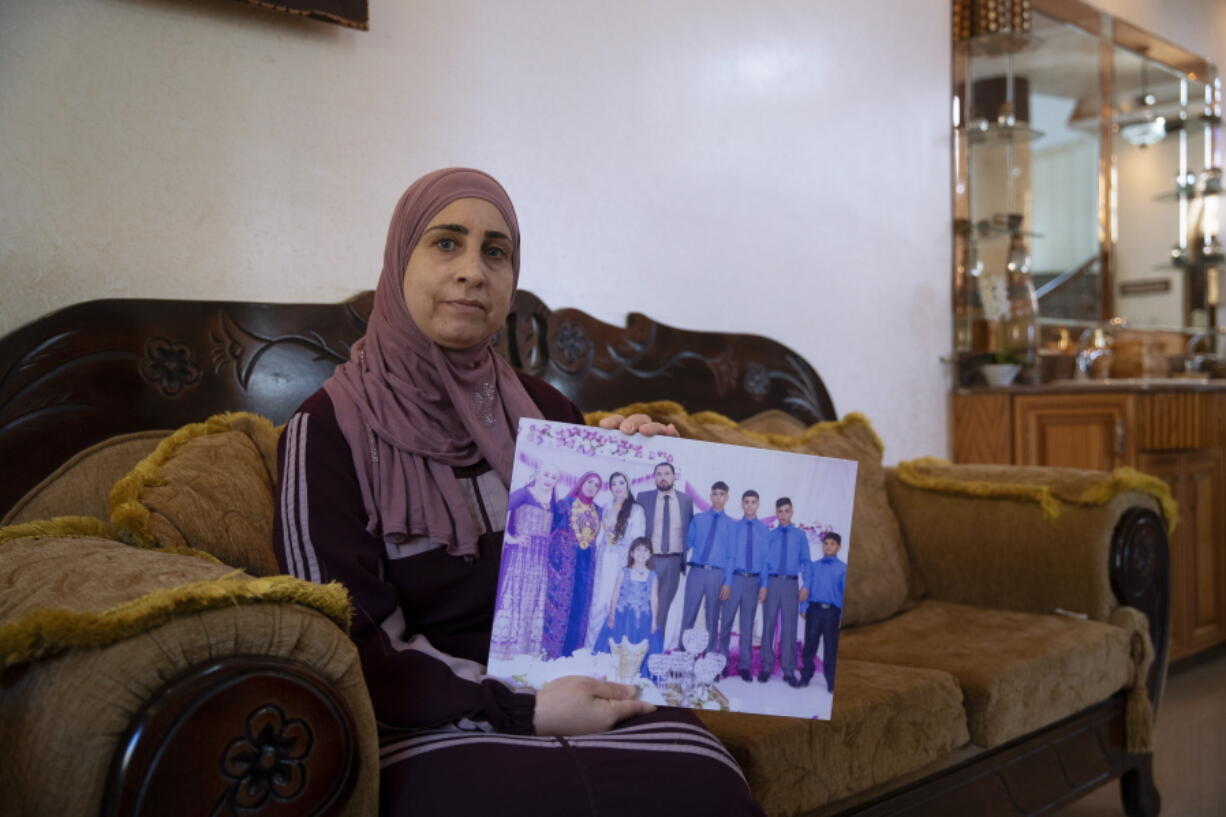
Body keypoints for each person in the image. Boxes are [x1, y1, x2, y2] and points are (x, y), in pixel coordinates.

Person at [271, 168, 758, 816]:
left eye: (495, 251)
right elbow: (340, 640)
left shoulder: (550, 411)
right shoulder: (326, 430)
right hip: (429, 713)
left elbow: (614, 599)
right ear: (398, 260)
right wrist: (519, 705)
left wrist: (646, 482)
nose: (473, 270)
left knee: (707, 787)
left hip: (584, 684)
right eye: (446, 243)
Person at [489, 464, 559, 660]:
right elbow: (505, 513)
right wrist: (511, 538)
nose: (549, 479)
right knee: (515, 596)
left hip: (540, 557)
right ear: (537, 474)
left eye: (553, 477)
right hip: (522, 555)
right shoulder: (523, 494)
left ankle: (526, 650)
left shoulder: (551, 500)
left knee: (534, 599)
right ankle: (506, 651)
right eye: (546, 473)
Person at [542, 471, 603, 658]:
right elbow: (550, 532)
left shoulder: (599, 510)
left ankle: (571, 654)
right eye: (589, 482)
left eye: (596, 485)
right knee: (559, 605)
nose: (591, 486)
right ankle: (551, 652)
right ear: (581, 482)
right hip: (564, 566)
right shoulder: (565, 505)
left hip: (586, 567)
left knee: (580, 606)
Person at [636, 461, 693, 649]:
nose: (662, 477)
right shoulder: (643, 498)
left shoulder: (685, 501)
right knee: (644, 605)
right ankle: (637, 646)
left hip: (673, 562)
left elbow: (689, 531)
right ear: (654, 477)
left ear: (674, 476)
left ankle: (654, 649)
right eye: (658, 473)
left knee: (663, 610)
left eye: (667, 473)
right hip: (649, 560)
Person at [587, 471, 646, 649]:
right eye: (614, 484)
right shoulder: (606, 507)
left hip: (622, 563)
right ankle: (591, 649)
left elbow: (637, 540)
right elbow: (600, 536)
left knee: (616, 604)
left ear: (627, 485)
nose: (617, 487)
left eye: (621, 483)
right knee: (598, 603)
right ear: (610, 488)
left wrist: (633, 568)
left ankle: (611, 651)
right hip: (604, 560)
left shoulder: (636, 510)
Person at [592, 536, 662, 678]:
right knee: (617, 643)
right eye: (638, 550)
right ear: (631, 553)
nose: (641, 553)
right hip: (621, 615)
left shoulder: (652, 575)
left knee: (641, 645)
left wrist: (654, 619)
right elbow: (615, 594)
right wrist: (612, 615)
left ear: (650, 555)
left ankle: (637, 673)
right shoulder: (624, 572)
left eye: (645, 550)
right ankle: (614, 672)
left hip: (643, 617)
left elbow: (654, 599)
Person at [759, 497, 810, 686]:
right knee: (768, 626)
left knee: (790, 628)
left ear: (792, 512)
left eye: (786, 511)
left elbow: (806, 561)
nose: (783, 515)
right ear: (776, 512)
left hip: (790, 585)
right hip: (772, 583)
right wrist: (763, 586)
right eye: (779, 511)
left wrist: (806, 586)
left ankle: (789, 670)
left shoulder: (800, 536)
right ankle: (766, 666)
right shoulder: (769, 536)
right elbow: (764, 563)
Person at [719, 490, 770, 681]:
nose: (749, 506)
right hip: (735, 579)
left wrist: (764, 585)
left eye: (753, 502)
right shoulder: (734, 527)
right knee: (726, 623)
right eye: (746, 502)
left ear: (758, 504)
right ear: (742, 504)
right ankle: (721, 663)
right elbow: (730, 557)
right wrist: (728, 582)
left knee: (747, 625)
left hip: (753, 582)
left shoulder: (764, 530)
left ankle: (745, 666)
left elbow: (765, 560)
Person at [679, 481, 735, 652]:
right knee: (689, 614)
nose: (718, 497)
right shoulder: (698, 519)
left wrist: (728, 582)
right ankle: (681, 655)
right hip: (696, 571)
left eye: (721, 494)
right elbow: (687, 543)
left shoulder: (732, 525)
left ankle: (709, 658)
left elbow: (732, 556)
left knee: (712, 617)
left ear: (727, 497)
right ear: (711, 496)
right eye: (715, 493)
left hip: (717, 574)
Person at [799, 532, 847, 693]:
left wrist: (842, 615)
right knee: (809, 646)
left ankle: (831, 681)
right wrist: (804, 606)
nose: (828, 546)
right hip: (814, 610)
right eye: (826, 543)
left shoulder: (843, 569)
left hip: (832, 613)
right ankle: (806, 675)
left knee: (831, 648)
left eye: (832, 544)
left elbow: (845, 593)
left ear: (838, 547)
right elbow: (807, 586)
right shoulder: (814, 565)